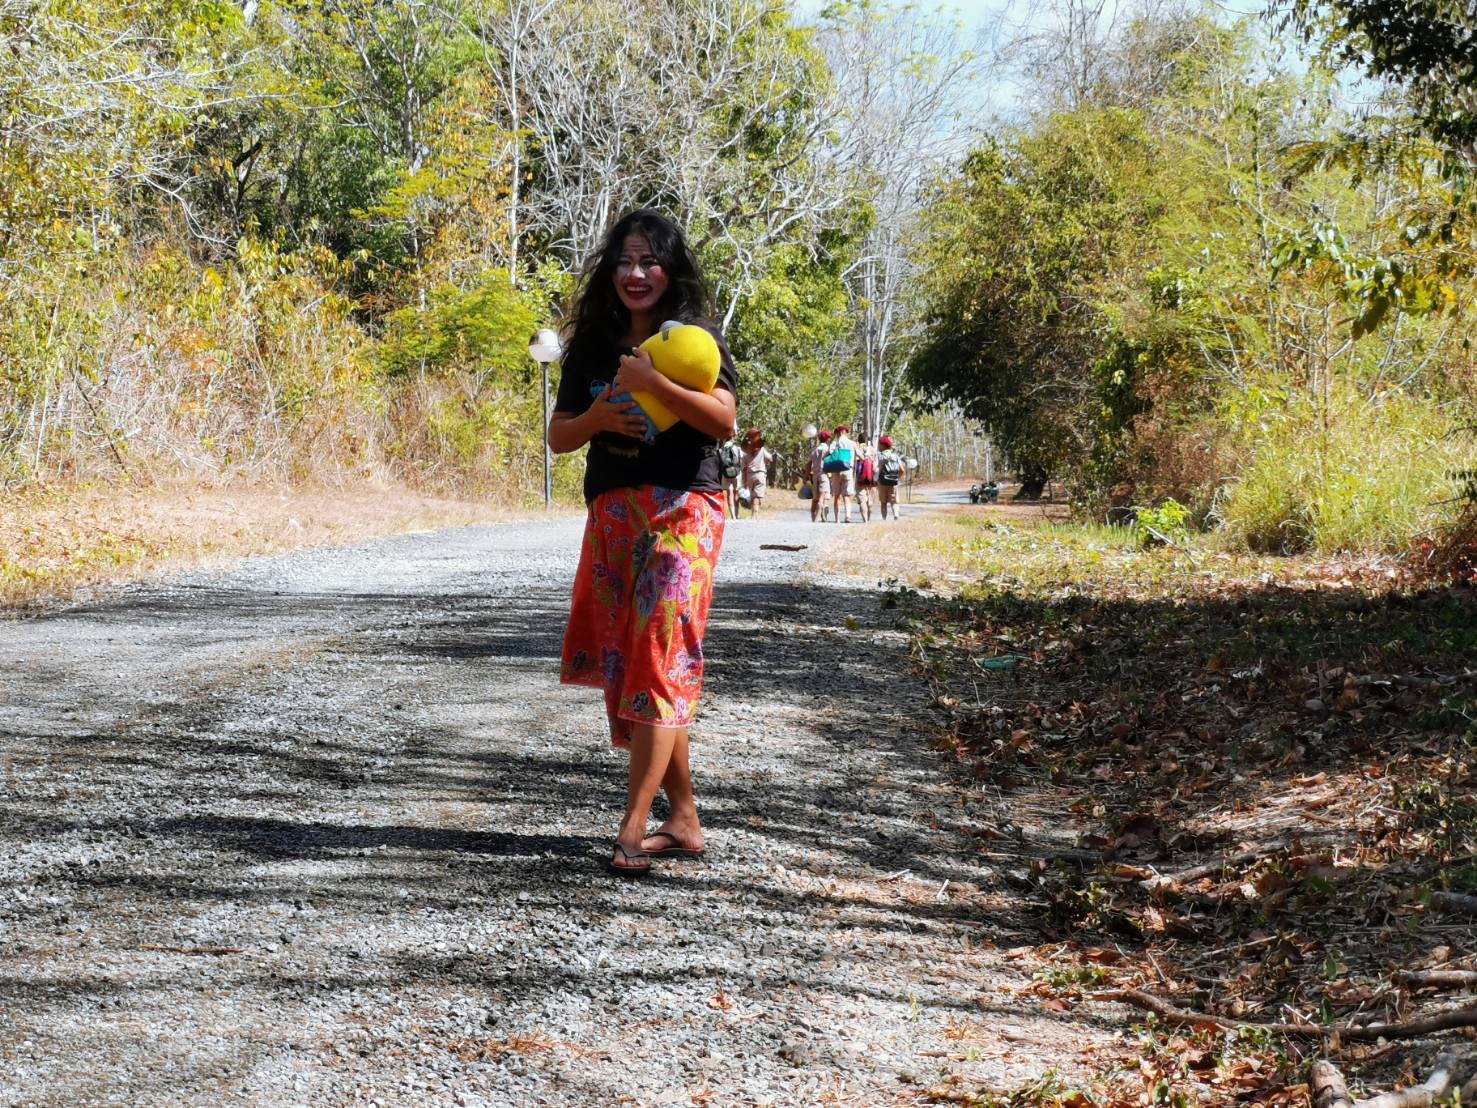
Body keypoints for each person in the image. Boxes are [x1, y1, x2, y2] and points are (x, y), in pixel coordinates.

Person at [547, 209, 738, 878]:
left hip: (686, 507)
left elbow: (724, 420)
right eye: (624, 261)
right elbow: (560, 436)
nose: (635, 273)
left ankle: (631, 827)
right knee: (640, 664)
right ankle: (682, 818)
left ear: (669, 270)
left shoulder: (695, 339)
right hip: (614, 513)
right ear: (610, 270)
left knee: (661, 652)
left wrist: (655, 384)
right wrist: (600, 414)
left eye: (649, 261)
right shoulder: (592, 346)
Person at [825, 424, 857, 523]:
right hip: (848, 470)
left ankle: (837, 519)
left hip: (836, 471)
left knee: (837, 496)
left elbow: (829, 453)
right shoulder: (852, 443)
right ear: (845, 432)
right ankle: (848, 516)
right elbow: (860, 455)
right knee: (846, 496)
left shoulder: (835, 443)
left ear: (839, 433)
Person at [740, 428, 773, 516]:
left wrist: (744, 481)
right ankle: (755, 515)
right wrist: (766, 461)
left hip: (749, 476)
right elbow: (770, 459)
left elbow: (743, 468)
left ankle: (753, 514)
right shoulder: (762, 450)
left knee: (752, 495)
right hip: (760, 474)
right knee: (756, 496)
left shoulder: (745, 452)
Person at [877, 434, 903, 520]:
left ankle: (884, 519)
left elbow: (877, 469)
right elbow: (902, 470)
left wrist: (876, 480)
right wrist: (897, 478)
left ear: (882, 445)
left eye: (879, 444)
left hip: (882, 482)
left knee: (883, 502)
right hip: (893, 482)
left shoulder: (880, 456)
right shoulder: (895, 456)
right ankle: (896, 515)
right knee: (894, 501)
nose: (878, 446)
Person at [808, 429, 832, 523]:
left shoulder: (815, 450)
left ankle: (813, 517)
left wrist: (807, 474)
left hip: (815, 474)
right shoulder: (827, 450)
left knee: (815, 497)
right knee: (823, 496)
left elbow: (808, 463)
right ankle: (818, 517)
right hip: (824, 474)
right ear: (827, 439)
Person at [718, 427, 742, 519]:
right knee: (736, 492)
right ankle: (737, 514)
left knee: (729, 493)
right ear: (732, 438)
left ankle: (733, 516)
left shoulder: (721, 450)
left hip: (726, 473)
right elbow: (741, 461)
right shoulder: (737, 448)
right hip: (736, 473)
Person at [853, 434, 877, 522]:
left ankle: (865, 521)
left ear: (858, 440)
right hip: (871, 477)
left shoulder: (856, 449)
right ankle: (869, 515)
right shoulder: (872, 449)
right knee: (870, 499)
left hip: (860, 477)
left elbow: (853, 464)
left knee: (862, 500)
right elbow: (875, 464)